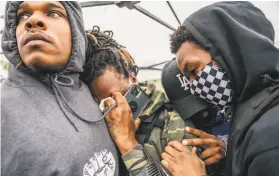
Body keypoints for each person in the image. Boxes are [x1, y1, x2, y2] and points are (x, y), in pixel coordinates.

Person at [80, 27, 225, 175]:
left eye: (118, 98)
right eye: (102, 104)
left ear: (133, 79)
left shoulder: (170, 117)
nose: (113, 111)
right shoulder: (87, 124)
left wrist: (128, 144)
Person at [160, 1, 279, 176]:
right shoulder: (249, 113)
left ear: (228, 51)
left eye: (193, 70)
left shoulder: (270, 135)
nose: (193, 87)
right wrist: (225, 161)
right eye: (188, 79)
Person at [1, 2, 119, 176]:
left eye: (53, 13)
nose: (32, 21)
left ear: (76, 31)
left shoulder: (92, 92)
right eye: (22, 16)